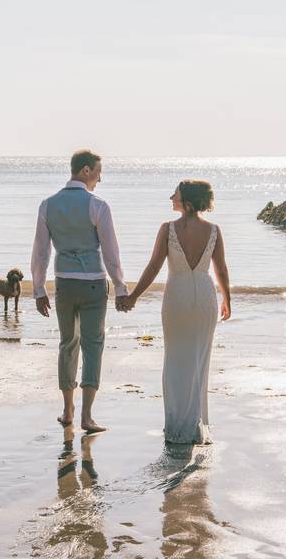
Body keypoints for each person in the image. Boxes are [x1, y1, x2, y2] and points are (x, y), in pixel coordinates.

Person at [30, 149, 131, 434]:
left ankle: (67, 410)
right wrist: (121, 287)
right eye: (99, 172)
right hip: (93, 283)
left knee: (67, 344)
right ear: (86, 171)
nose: (100, 178)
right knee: (93, 345)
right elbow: (111, 254)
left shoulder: (47, 205)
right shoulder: (98, 205)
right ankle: (87, 416)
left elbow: (40, 253)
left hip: (64, 283)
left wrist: (39, 290)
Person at [125, 180, 231, 444]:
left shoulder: (167, 229)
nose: (171, 196)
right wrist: (227, 299)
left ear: (189, 201)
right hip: (205, 298)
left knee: (175, 361)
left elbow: (153, 267)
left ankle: (176, 427)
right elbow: (221, 270)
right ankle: (195, 424)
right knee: (199, 361)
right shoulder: (214, 230)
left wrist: (134, 296)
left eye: (176, 194)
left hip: (177, 299)